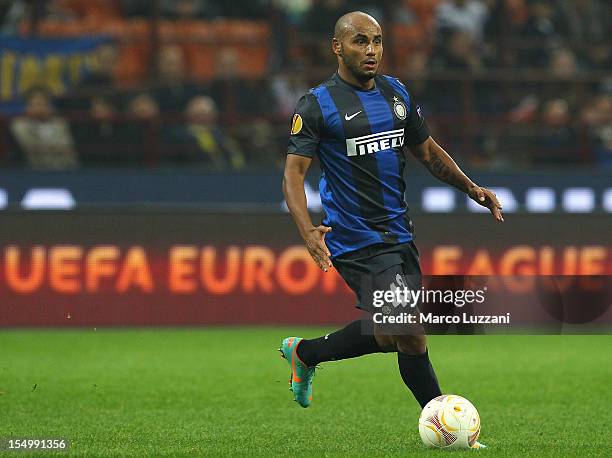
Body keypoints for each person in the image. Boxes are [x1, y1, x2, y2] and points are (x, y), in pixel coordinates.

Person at [279, 11, 502, 449]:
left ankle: (306, 353)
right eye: (361, 41)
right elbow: (292, 174)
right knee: (411, 328)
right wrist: (307, 231)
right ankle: (450, 426)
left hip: (399, 234)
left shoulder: (395, 91)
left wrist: (471, 188)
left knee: (395, 334)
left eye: (377, 41)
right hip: (353, 238)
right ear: (338, 47)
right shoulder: (317, 103)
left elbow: (428, 152)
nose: (372, 50)